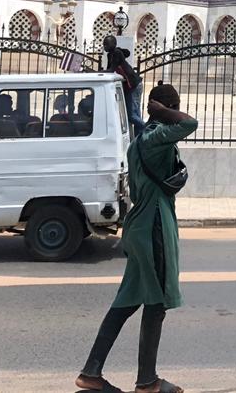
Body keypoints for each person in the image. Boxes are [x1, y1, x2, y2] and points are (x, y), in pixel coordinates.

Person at [76, 84, 197, 393]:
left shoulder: (138, 141)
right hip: (153, 226)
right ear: (167, 107)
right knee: (156, 303)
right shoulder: (156, 137)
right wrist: (161, 110)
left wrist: (158, 110)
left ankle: (91, 372)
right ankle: (147, 381)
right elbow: (189, 123)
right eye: (173, 106)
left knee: (127, 302)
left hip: (139, 227)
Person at [104, 34, 144, 136]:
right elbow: (109, 71)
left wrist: (93, 73)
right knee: (134, 114)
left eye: (106, 44)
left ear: (114, 44)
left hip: (134, 85)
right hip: (128, 86)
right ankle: (138, 138)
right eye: (104, 44)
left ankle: (150, 129)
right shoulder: (110, 55)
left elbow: (111, 70)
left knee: (131, 116)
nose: (104, 46)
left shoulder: (117, 52)